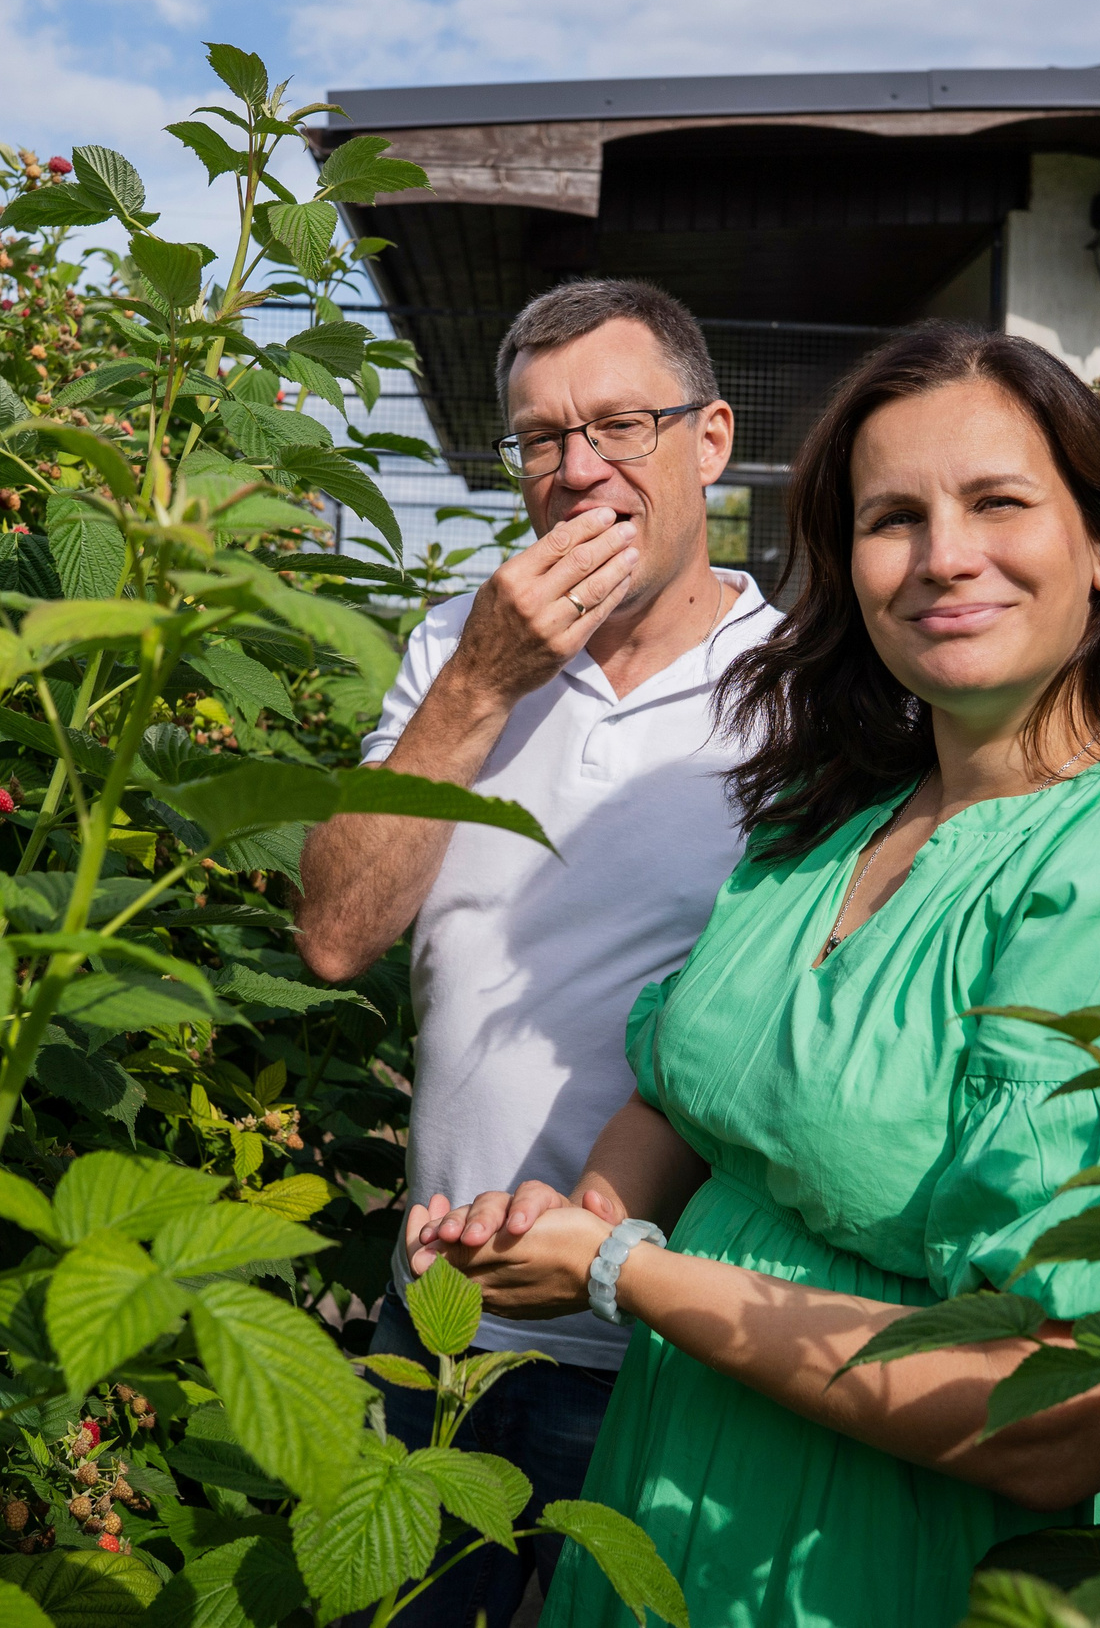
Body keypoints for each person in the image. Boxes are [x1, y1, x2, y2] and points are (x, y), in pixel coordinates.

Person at [407, 325, 1100, 1628]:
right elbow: (687, 1091)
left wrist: (624, 1269)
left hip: (884, 1567)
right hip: (666, 1533)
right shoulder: (833, 819)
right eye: (891, 518)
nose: (945, 555)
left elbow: (1064, 1414)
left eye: (1000, 502)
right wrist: (562, 1225)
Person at [295, 279, 782, 1626]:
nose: (577, 472)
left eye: (620, 425)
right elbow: (337, 932)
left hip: (655, 1347)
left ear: (710, 439)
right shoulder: (461, 640)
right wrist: (481, 684)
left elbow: (773, 1019)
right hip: (434, 1326)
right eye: (538, 440)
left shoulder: (799, 689)